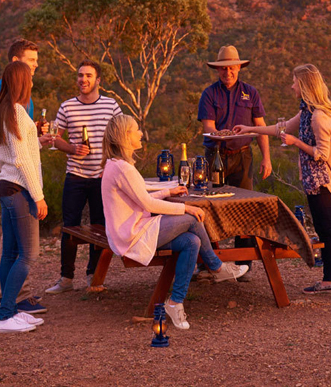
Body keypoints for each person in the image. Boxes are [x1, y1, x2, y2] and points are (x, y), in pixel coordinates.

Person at [100, 114, 248, 329]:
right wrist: (186, 207)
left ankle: (175, 303)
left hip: (132, 230)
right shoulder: (122, 168)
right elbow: (148, 204)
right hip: (132, 236)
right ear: (125, 136)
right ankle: (217, 267)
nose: (140, 133)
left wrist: (167, 192)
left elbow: (140, 197)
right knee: (191, 219)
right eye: (136, 130)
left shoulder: (116, 165)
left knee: (191, 242)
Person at [235, 64, 331, 299]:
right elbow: (279, 128)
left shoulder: (319, 116)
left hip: (323, 183)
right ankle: (329, 279)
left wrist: (296, 143)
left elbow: (321, 154)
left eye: (294, 82)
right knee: (323, 230)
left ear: (304, 85)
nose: (292, 86)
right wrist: (249, 129)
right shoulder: (306, 113)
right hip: (312, 182)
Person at [45, 60, 122, 294]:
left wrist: (113, 165)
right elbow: (55, 138)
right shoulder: (67, 107)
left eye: (88, 75)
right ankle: (66, 279)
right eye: (80, 75)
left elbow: (121, 136)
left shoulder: (111, 105)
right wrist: (72, 148)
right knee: (70, 227)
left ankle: (93, 277)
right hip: (75, 176)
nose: (83, 79)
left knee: (100, 228)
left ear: (98, 80)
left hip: (102, 176)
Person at [197, 45, 272, 276]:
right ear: (217, 70)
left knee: (245, 207)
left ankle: (244, 265)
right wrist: (221, 134)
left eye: (231, 67)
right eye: (223, 68)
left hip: (243, 157)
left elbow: (260, 127)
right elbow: (208, 127)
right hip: (215, 156)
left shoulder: (251, 93)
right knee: (208, 207)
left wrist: (267, 158)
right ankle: (208, 263)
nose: (227, 72)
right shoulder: (209, 94)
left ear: (239, 67)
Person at [0, 39, 51, 315]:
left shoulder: (6, 107)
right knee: (27, 254)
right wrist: (39, 197)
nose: (34, 70)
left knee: (10, 251)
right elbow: (21, 158)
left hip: (6, 181)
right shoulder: (14, 107)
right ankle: (9, 308)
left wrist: (36, 139)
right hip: (17, 184)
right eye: (31, 64)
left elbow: (14, 145)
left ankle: (9, 304)